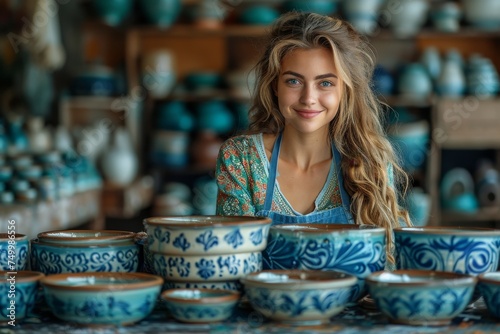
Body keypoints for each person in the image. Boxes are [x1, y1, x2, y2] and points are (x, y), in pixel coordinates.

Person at [215, 12, 411, 265]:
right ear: (275, 85)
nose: (308, 98)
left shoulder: (368, 163)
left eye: (325, 83)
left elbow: (384, 266)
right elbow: (231, 262)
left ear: (345, 88)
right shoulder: (241, 159)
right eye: (294, 81)